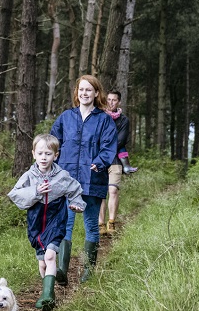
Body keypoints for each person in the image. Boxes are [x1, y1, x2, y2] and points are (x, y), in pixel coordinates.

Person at [50, 75, 117, 283]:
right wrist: (52, 158)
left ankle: (88, 271)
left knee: (90, 223)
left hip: (92, 177)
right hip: (66, 179)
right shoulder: (66, 117)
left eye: (89, 90)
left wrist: (100, 161)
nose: (84, 93)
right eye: (81, 90)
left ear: (97, 93)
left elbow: (109, 146)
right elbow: (54, 141)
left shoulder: (104, 120)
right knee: (65, 223)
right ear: (76, 93)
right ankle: (61, 270)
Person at [8, 134, 85, 311]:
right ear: (34, 154)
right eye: (40, 153)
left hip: (56, 219)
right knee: (43, 262)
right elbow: (15, 195)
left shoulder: (62, 175)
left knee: (50, 256)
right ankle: (48, 290)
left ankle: (49, 296)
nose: (44, 157)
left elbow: (75, 191)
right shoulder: (28, 176)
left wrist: (77, 205)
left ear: (55, 155)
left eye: (48, 154)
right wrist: (35, 191)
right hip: (36, 222)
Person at [99, 89, 137, 236]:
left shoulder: (124, 120)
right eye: (108, 100)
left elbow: (120, 140)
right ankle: (100, 224)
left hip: (115, 159)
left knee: (113, 190)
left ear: (119, 102)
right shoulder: (100, 117)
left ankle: (112, 222)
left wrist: (105, 145)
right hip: (100, 160)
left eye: (114, 100)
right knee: (101, 193)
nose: (111, 103)